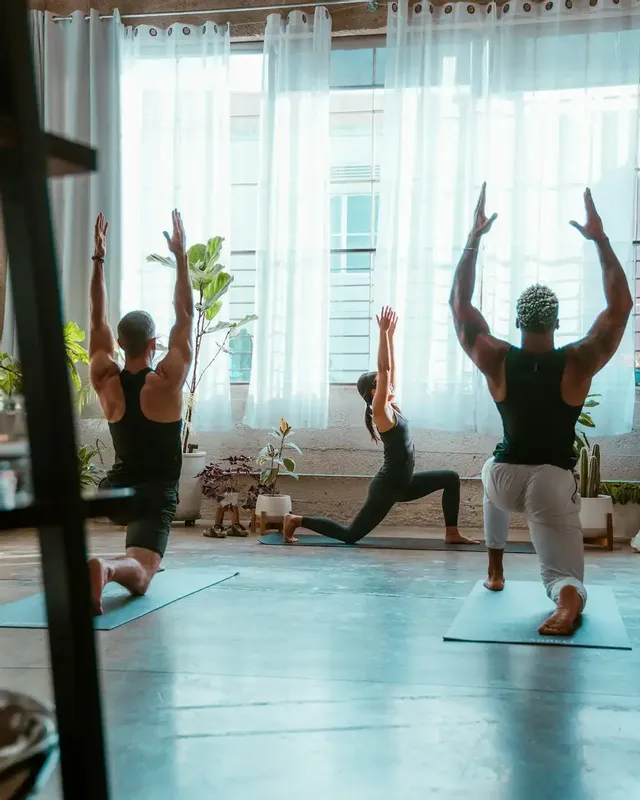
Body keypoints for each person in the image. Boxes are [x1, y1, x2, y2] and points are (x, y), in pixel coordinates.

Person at [450, 184, 633, 636]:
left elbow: (460, 305)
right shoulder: (578, 361)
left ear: (518, 321)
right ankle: (566, 604)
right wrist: (600, 239)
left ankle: (495, 570)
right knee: (561, 576)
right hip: (551, 483)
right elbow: (620, 307)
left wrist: (473, 239)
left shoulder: (495, 357)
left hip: (504, 480)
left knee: (487, 469)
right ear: (557, 322)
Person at [284, 306, 475, 546]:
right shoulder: (381, 412)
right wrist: (382, 334)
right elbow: (384, 370)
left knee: (451, 478)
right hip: (387, 488)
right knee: (350, 535)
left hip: (404, 484)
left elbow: (389, 371)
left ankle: (452, 533)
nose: (390, 384)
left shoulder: (392, 408)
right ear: (375, 392)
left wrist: (391, 337)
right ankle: (296, 520)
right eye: (383, 384)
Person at [87, 210, 193, 614]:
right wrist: (180, 256)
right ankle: (109, 568)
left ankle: (128, 557)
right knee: (143, 576)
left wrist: (99, 259)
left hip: (114, 492)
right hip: (153, 494)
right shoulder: (165, 382)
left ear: (119, 342)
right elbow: (185, 315)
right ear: (153, 343)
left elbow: (97, 316)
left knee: (140, 550)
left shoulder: (105, 378)